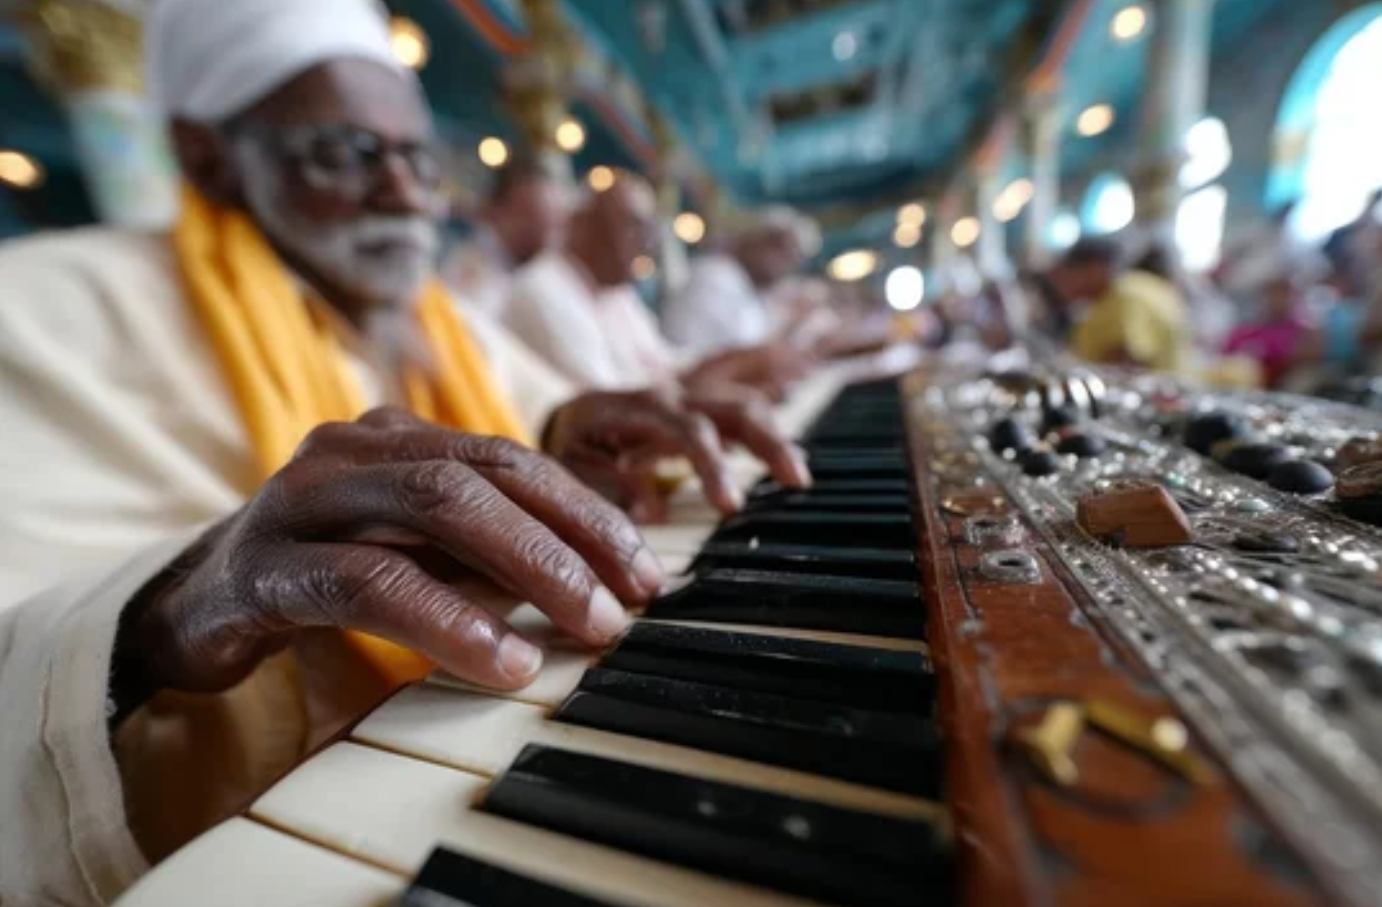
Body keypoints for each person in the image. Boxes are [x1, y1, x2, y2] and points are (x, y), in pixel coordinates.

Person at [0, 1, 813, 901]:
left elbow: (528, 419)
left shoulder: (441, 318)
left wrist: (570, 428)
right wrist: (173, 604)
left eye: (418, 158)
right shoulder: (39, 311)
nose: (404, 191)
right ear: (208, 154)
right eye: (345, 152)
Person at [503, 171, 814, 399]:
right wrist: (730, 369)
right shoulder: (541, 288)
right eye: (634, 226)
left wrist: (744, 363)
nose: (648, 244)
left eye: (651, 230)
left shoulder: (616, 293)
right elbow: (607, 403)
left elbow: (664, 361)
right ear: (582, 225)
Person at [662, 206, 821, 356]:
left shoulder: (753, 292)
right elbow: (741, 352)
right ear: (751, 238)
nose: (780, 262)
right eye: (776, 247)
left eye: (791, 259)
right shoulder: (715, 276)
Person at [440, 154, 570, 317]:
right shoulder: (473, 270)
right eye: (529, 216)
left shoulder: (528, 276)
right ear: (492, 211)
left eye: (553, 224)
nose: (546, 236)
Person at [1044, 238, 1191, 374]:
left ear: (1094, 268)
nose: (1063, 284)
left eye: (1070, 273)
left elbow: (1127, 368)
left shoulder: (1124, 298)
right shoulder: (1134, 286)